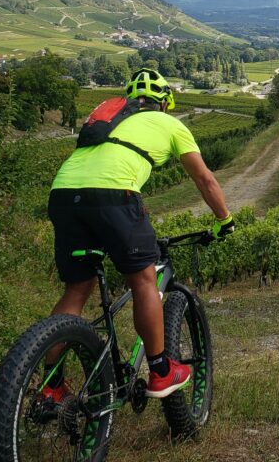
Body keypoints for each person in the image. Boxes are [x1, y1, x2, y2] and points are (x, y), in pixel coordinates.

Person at [41, 69, 234, 401]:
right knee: (144, 279)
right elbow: (205, 179)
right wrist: (224, 219)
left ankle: (50, 386)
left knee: (76, 290)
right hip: (114, 195)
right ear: (165, 103)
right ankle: (160, 370)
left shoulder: (111, 119)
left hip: (63, 195)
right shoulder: (170, 124)